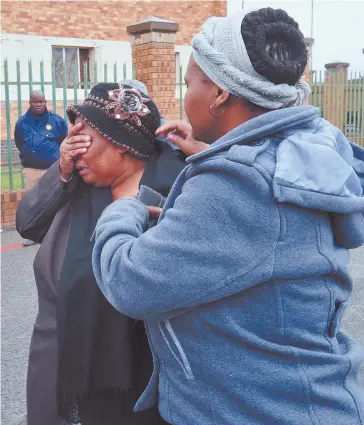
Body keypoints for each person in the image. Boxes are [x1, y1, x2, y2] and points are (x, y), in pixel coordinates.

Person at [92, 8, 364, 425]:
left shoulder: (236, 186)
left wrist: (122, 208)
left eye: (189, 84)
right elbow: (264, 230)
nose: (184, 99)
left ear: (219, 94)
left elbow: (131, 283)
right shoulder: (302, 149)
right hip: (297, 397)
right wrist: (205, 159)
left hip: (253, 410)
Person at [16, 81, 186, 425]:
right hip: (62, 371)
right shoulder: (76, 185)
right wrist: (60, 171)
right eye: (72, 136)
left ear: (121, 142)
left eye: (85, 136)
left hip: (141, 383)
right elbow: (27, 223)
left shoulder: (175, 197)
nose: (74, 147)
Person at [15, 90, 68, 190]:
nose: (39, 104)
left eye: (41, 102)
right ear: (30, 103)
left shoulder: (56, 121)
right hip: (31, 171)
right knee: (32, 202)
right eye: (35, 102)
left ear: (45, 102)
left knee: (52, 200)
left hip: (52, 170)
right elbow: (19, 143)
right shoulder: (22, 122)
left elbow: (65, 142)